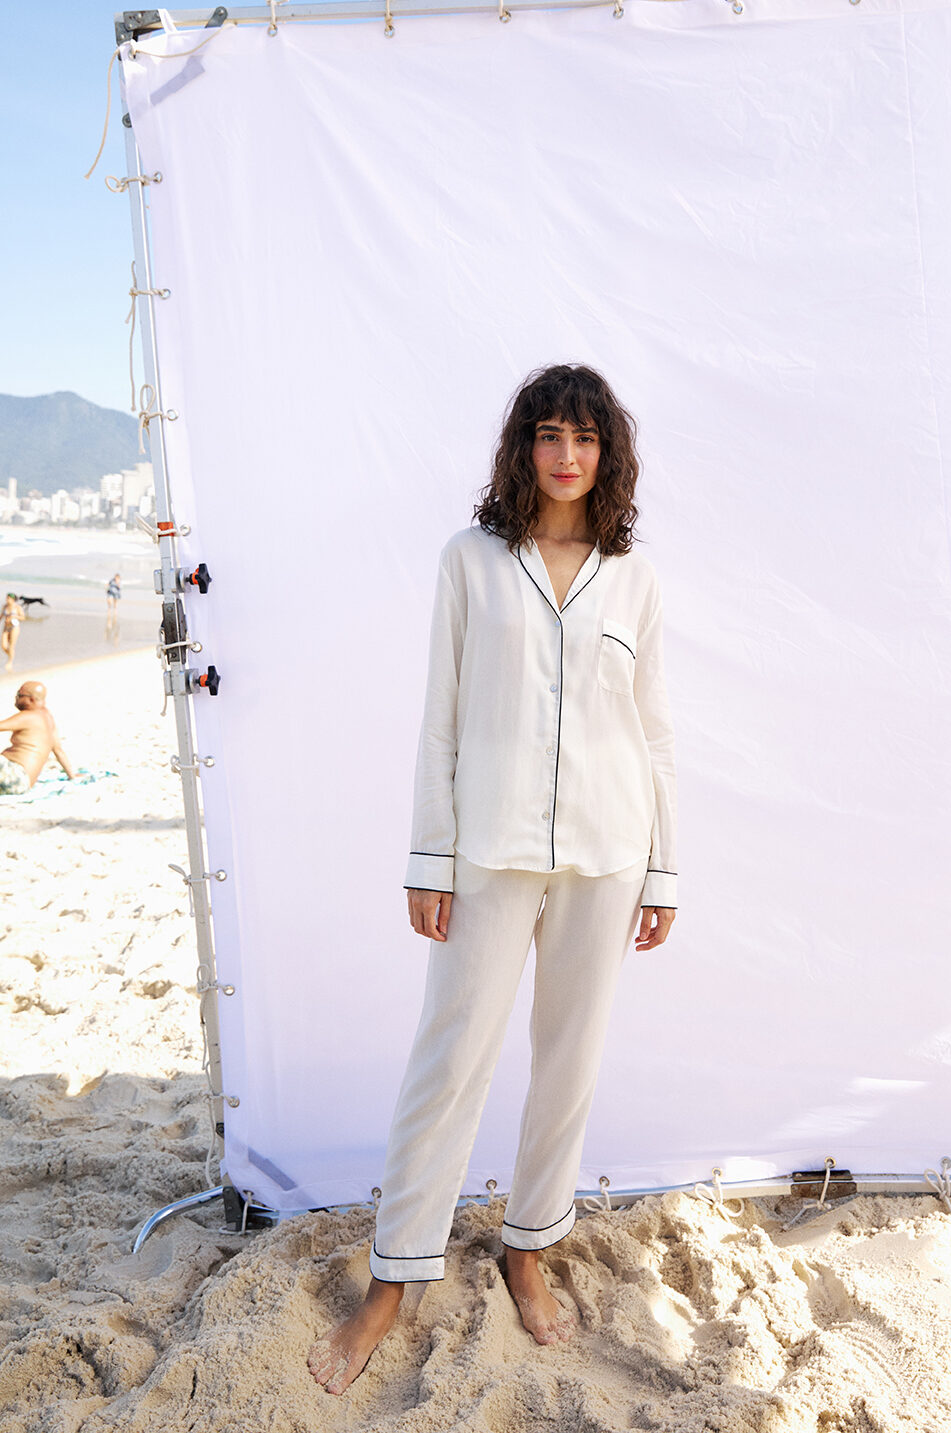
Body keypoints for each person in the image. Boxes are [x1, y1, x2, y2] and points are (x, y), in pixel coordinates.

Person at [308, 364, 677, 1396]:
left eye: (587, 439)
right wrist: (430, 854)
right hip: (489, 848)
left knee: (569, 1059)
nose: (567, 455)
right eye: (550, 434)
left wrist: (663, 871)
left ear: (608, 456)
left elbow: (651, 732)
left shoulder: (632, 576)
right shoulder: (470, 561)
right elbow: (441, 716)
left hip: (608, 850)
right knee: (450, 1057)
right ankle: (393, 1278)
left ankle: (528, 1243)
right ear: (524, 448)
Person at [0, 682, 77, 796]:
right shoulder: (47, 718)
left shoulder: (29, 716)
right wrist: (72, 776)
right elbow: (58, 751)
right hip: (23, 784)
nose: (15, 698)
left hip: (15, 776)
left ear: (31, 699)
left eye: (19, 695)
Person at [1, 593, 24, 672]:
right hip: (6, 627)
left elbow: (23, 617)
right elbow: (1, 616)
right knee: (3, 646)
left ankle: (10, 662)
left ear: (13, 599)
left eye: (8, 598)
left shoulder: (17, 607)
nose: (7, 599)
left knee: (11, 646)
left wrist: (14, 616)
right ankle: (11, 655)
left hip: (14, 627)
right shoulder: (5, 606)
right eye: (6, 598)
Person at [106, 573, 121, 644]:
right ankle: (110, 611)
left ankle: (114, 611)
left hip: (116, 593)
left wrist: (118, 583)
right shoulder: (112, 581)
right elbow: (108, 585)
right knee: (110, 602)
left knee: (115, 603)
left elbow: (119, 588)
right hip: (111, 592)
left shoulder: (118, 581)